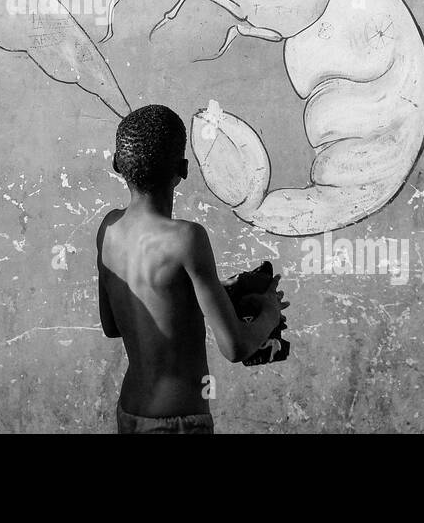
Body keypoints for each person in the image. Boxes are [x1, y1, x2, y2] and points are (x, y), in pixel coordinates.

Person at [96, 104, 286, 434]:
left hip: (129, 412)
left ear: (117, 165)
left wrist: (205, 293)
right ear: (182, 169)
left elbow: (113, 325)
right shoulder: (186, 238)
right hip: (177, 422)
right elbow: (235, 347)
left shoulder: (109, 229)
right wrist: (269, 312)